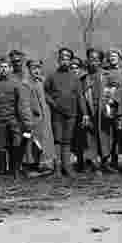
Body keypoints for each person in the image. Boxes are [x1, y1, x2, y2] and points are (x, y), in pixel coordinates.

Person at [79, 48, 121, 174]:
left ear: (100, 61)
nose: (93, 62)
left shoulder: (107, 75)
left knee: (106, 136)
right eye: (91, 59)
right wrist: (85, 113)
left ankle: (105, 162)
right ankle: (94, 164)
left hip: (104, 112)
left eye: (96, 60)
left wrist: (111, 103)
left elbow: (116, 89)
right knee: (91, 137)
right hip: (90, 110)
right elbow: (81, 96)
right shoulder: (84, 78)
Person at [0, 57, 33, 178]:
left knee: (16, 144)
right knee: (1, 146)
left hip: (13, 119)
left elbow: (22, 104)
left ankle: (15, 168)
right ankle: (2, 171)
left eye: (6, 67)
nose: (3, 70)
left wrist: (26, 122)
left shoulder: (16, 84)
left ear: (10, 69)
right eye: (1, 67)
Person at [44, 47, 82, 178]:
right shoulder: (51, 76)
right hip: (57, 113)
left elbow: (79, 96)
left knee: (67, 140)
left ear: (70, 61)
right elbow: (46, 93)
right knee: (58, 140)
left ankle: (67, 167)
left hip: (71, 113)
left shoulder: (75, 78)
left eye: (67, 59)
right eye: (62, 58)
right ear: (58, 60)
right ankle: (57, 168)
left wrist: (85, 114)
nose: (64, 61)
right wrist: (53, 104)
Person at [24, 59, 55, 174]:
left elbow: (48, 97)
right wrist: (29, 118)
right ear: (29, 69)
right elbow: (25, 103)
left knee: (43, 141)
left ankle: (42, 164)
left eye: (38, 68)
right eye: (33, 68)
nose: (36, 71)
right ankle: (30, 166)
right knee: (31, 141)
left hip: (45, 117)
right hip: (33, 117)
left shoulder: (42, 82)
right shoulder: (25, 84)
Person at [103, 48, 122, 169]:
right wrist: (108, 97)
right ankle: (107, 160)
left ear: (119, 58)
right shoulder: (104, 72)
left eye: (115, 56)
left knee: (119, 133)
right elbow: (103, 87)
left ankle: (116, 159)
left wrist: (116, 96)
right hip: (108, 106)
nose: (113, 58)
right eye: (110, 56)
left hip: (121, 107)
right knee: (108, 134)